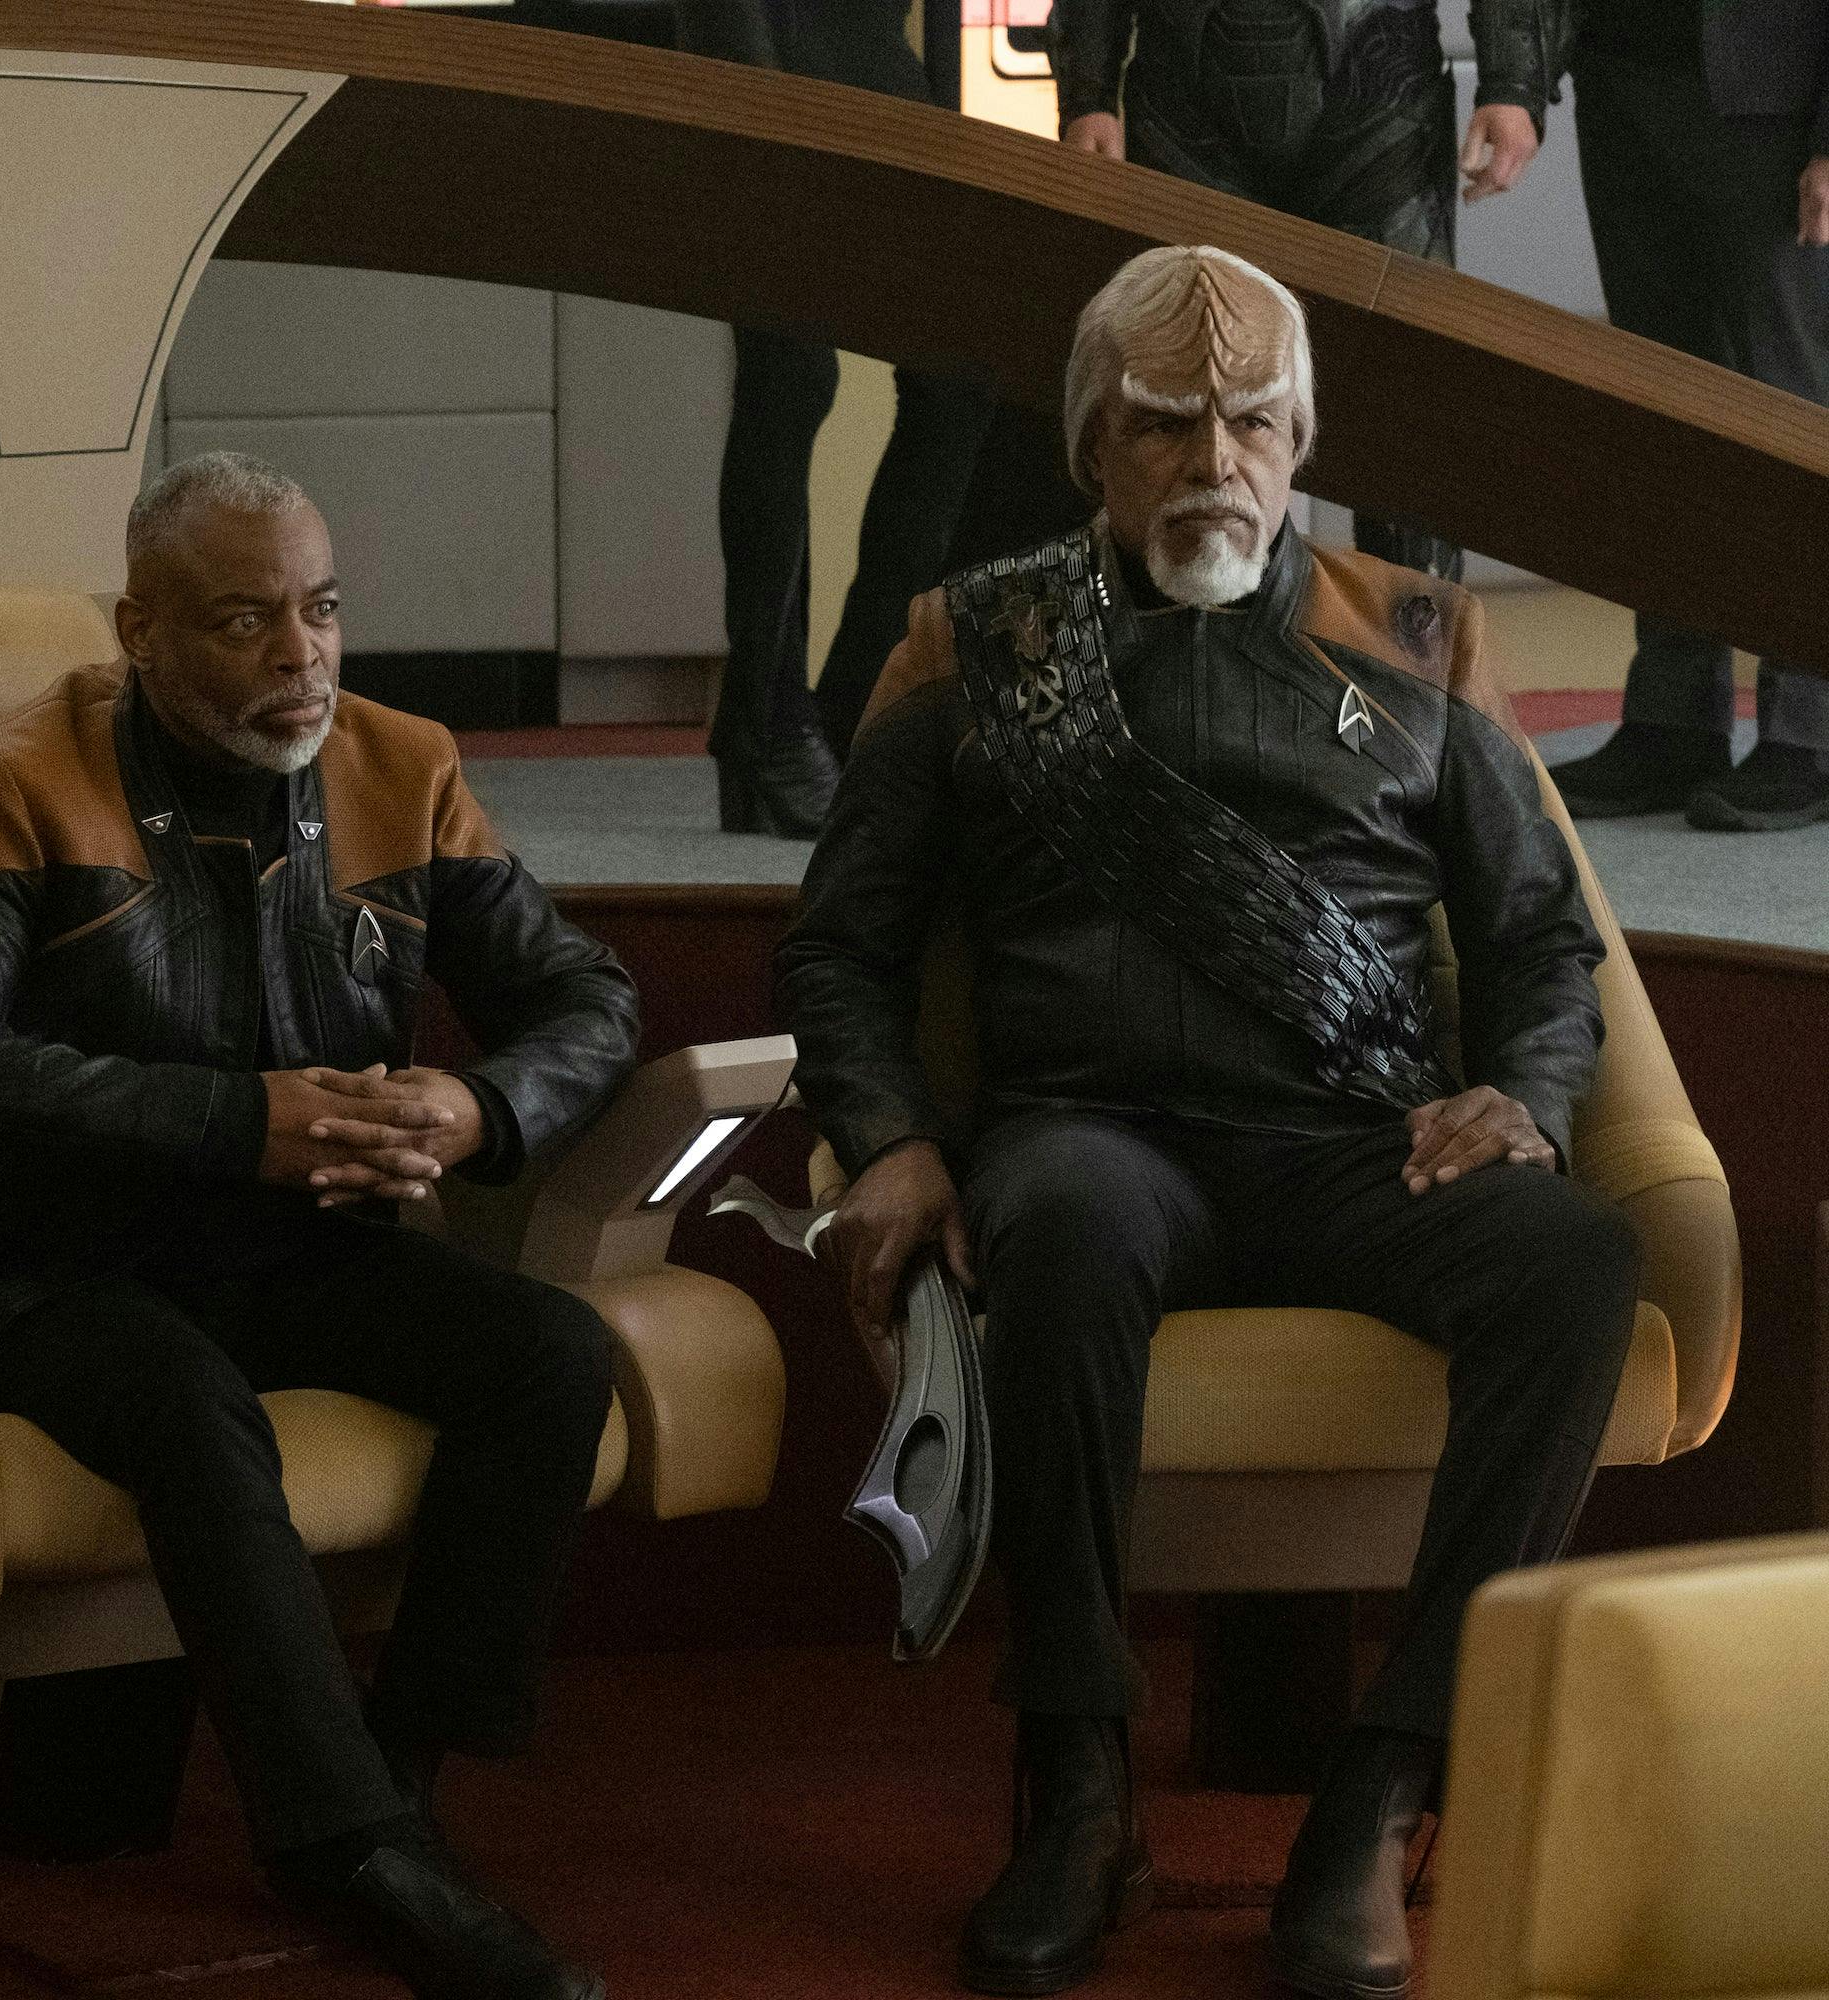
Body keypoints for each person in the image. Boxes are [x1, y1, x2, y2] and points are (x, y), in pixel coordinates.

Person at [776, 248, 1637, 2000]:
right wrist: (889, 1135)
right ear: (1093, 444)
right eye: (1167, 425)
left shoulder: (1419, 633)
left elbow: (1547, 939)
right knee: (1062, 1227)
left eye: (1252, 423)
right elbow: (841, 949)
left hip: (1364, 1144)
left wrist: (1529, 1100)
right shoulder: (971, 641)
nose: (1214, 463)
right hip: (1097, 1138)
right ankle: (1079, 1785)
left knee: (1574, 1265)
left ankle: (1382, 1790)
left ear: (1303, 437)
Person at [0, 452, 635, 2000]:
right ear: (139, 629)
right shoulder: (16, 777)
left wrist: (474, 1107)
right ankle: (343, 1848)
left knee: (551, 1356)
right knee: (192, 1407)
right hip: (57, 1268)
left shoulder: (403, 765)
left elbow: (585, 998)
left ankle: (399, 1784)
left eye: (323, 610)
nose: (302, 656)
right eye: (245, 621)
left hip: (304, 1250)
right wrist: (233, 1121)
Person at [1049, 0, 1561, 583]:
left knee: (1405, 398)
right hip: (1190, 100)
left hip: (1379, 93)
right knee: (1186, 385)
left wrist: (1513, 82)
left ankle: (1415, 631)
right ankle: (1192, 626)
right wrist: (1087, 95)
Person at [678, 0, 1005, 830]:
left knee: (956, 382)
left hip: (882, 75)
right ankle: (771, 724)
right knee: (790, 376)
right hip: (760, 62)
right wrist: (752, 98)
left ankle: (847, 708)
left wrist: (950, 125)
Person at [1543, 0, 1829, 830]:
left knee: (1791, 415)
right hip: (1620, 73)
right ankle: (1674, 717)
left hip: (1775, 100)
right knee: (1657, 411)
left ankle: (1810, 728)